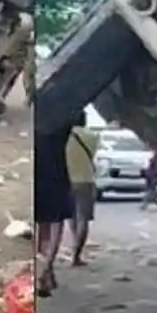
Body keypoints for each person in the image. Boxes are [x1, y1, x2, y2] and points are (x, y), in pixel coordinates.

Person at [33, 122, 74, 295]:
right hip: (58, 174)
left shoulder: (35, 125)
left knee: (41, 225)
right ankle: (46, 269)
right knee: (56, 225)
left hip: (38, 174)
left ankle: (44, 270)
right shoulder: (61, 120)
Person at [64, 112, 100, 266]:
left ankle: (74, 243)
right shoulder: (93, 136)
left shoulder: (63, 137)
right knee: (83, 219)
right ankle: (76, 255)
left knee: (72, 217)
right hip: (86, 180)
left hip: (67, 180)